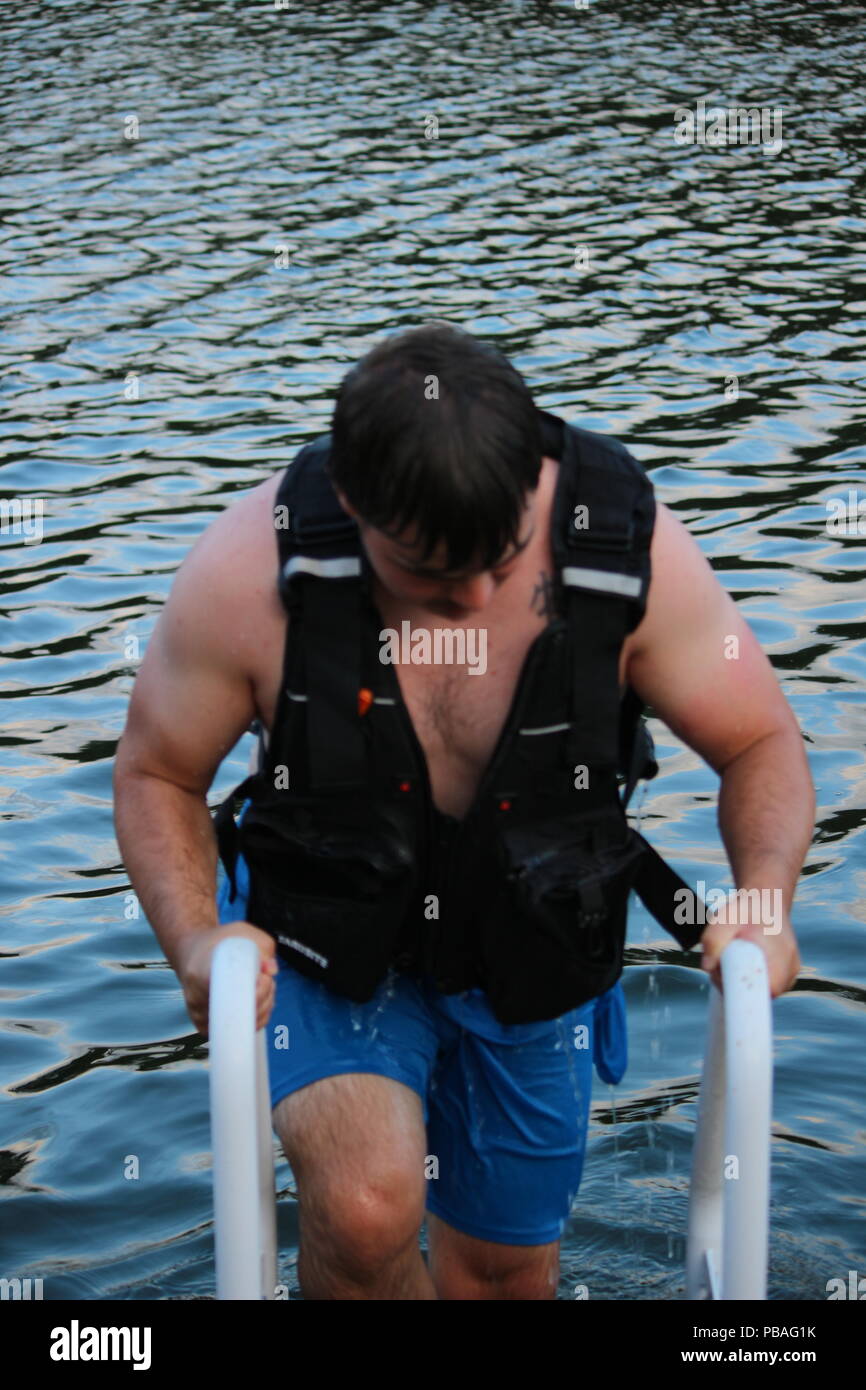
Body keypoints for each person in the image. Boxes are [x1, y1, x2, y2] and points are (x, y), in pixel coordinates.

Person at [113, 322, 814, 1300]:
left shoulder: (623, 548)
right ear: (354, 508)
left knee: (500, 1270)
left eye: (504, 556)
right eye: (436, 575)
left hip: (531, 938)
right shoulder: (249, 575)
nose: (480, 596)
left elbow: (759, 743)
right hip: (329, 943)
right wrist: (193, 938)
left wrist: (763, 899)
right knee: (365, 1209)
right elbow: (156, 775)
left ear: (533, 474)